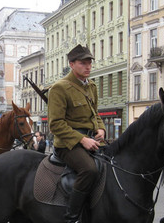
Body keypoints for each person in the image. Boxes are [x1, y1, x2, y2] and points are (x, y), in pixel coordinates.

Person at [49, 44, 106, 223]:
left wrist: (101, 128)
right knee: (89, 170)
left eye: (89, 62)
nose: (88, 66)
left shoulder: (91, 87)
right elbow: (55, 124)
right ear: (72, 64)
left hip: (92, 139)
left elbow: (95, 113)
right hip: (68, 144)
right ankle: (72, 217)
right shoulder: (60, 88)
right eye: (83, 63)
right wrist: (82, 139)